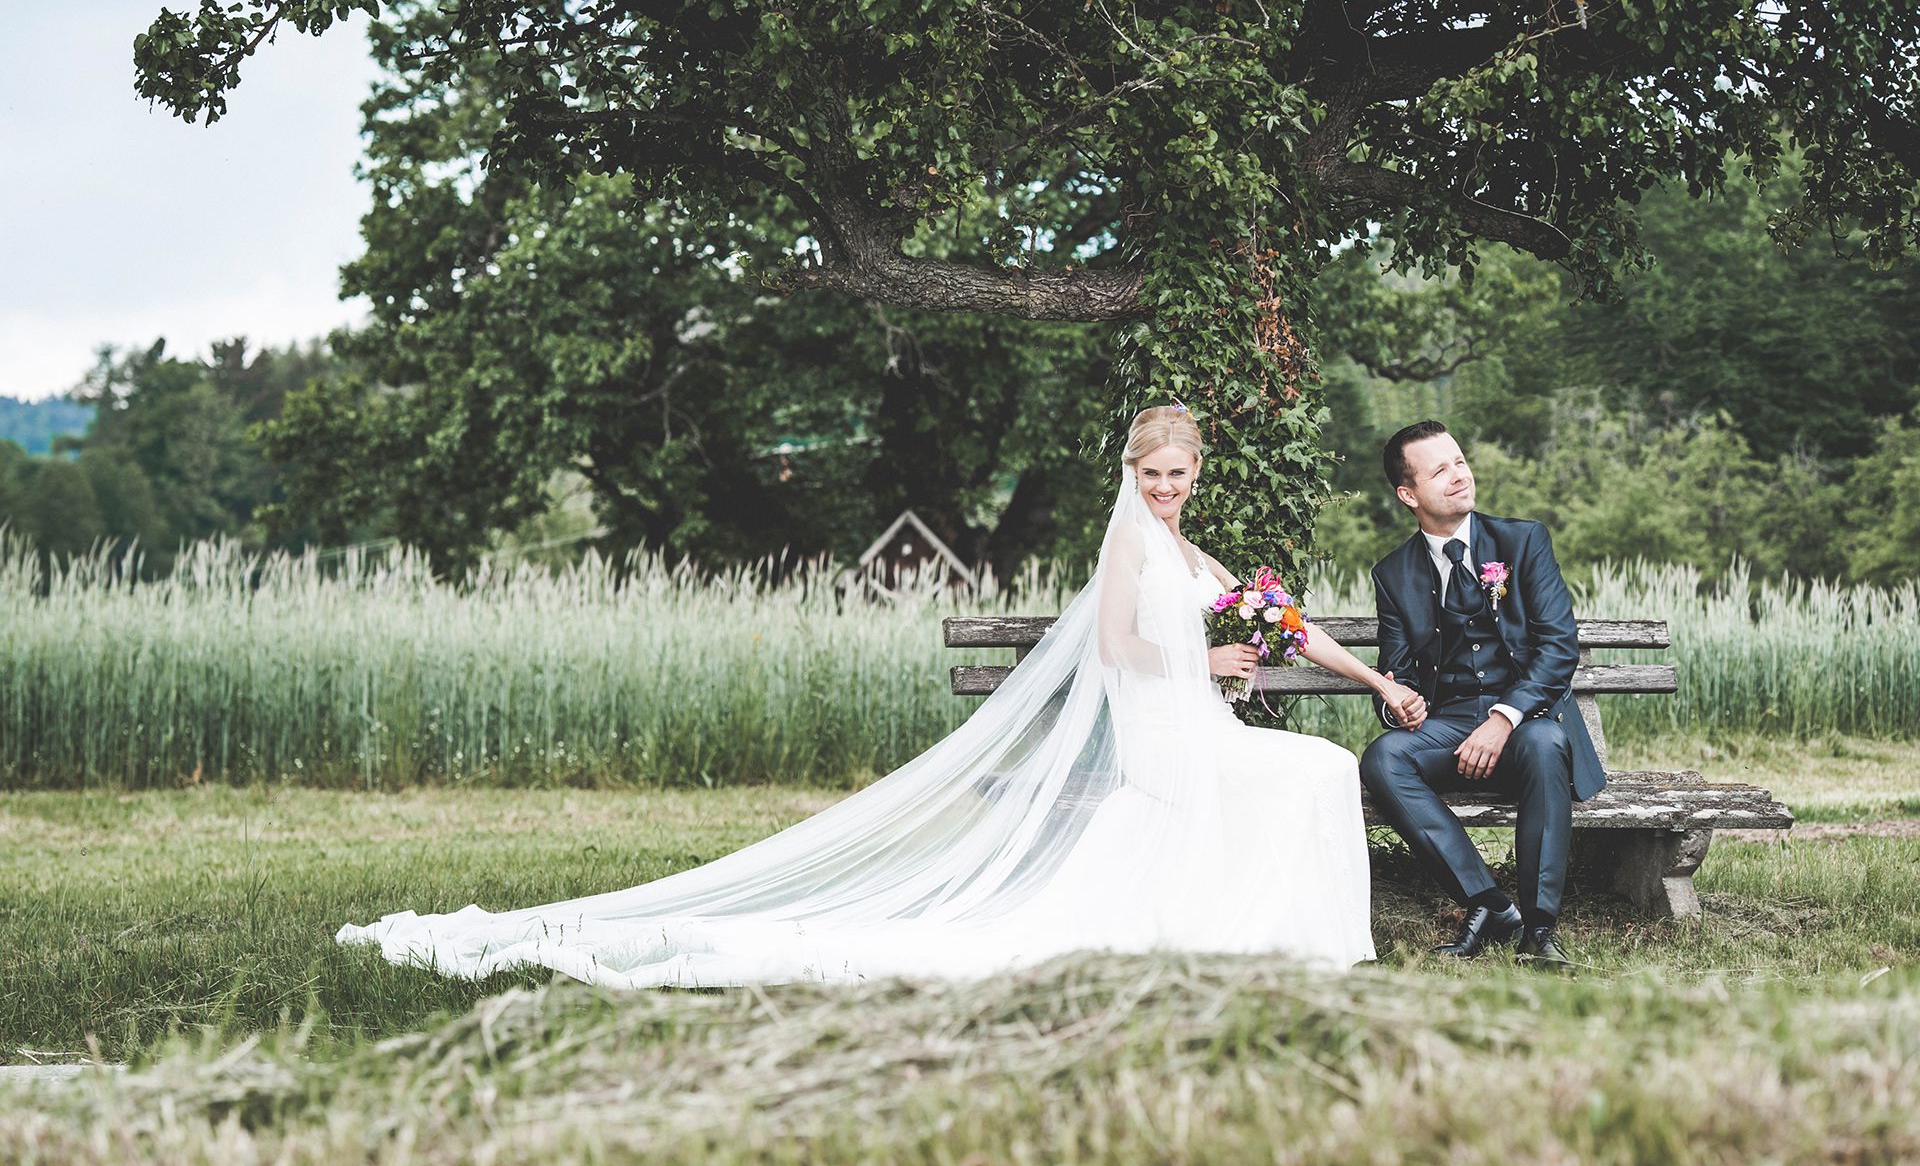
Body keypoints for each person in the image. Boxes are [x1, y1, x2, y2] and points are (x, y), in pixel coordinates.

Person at [339, 406, 1416, 986]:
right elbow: (1117, 649)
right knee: (1316, 770)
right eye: (1152, 477)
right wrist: (1213, 670)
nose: (1166, 490)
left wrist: (1373, 678)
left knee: (1314, 767)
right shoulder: (1130, 552)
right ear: (1131, 476)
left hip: (1202, 733)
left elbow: (1284, 624)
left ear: (1196, 476)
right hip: (1165, 740)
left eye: (1179, 476)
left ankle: (1271, 934)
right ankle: (1276, 938)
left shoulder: (1198, 550)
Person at [1359, 421, 1605, 970]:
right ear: (1408, 494)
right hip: (1448, 728)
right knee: (1384, 756)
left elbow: (1558, 648)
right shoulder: (1394, 574)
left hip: (1527, 722)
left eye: (1460, 461)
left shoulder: (1523, 541)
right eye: (1439, 469)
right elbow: (1395, 670)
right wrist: (1399, 700)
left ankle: (1540, 930)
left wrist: (1502, 718)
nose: (1458, 475)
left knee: (1544, 743)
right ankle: (1489, 904)